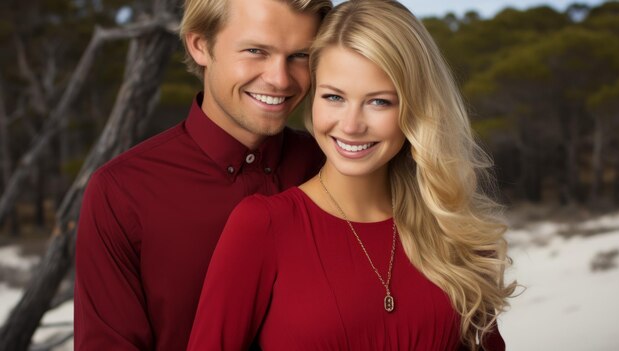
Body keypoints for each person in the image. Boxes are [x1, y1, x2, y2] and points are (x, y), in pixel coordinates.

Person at [186, 0, 517, 350]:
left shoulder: (451, 228)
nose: (351, 125)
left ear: (417, 108)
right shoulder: (262, 226)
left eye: (379, 102)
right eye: (334, 97)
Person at [74, 0, 332, 349]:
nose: (280, 79)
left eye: (300, 56)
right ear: (200, 45)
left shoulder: (332, 167)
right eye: (256, 50)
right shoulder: (121, 193)